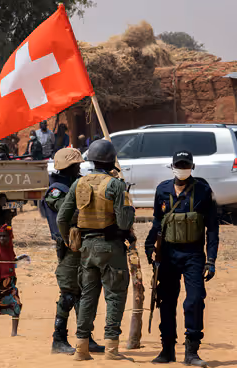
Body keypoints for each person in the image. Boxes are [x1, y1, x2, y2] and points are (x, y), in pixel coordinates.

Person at [56, 140, 135, 361]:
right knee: (115, 295)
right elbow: (124, 221)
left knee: (88, 297)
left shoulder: (79, 184)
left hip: (86, 248)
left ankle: (81, 349)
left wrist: (71, 241)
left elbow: (63, 218)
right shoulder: (116, 185)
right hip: (111, 247)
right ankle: (111, 349)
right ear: (111, 161)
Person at [145, 151, 219, 367]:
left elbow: (212, 228)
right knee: (166, 301)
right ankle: (167, 349)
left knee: (195, 300)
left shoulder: (203, 191)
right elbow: (158, 223)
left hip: (193, 254)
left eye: (186, 164)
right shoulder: (163, 189)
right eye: (179, 164)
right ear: (172, 166)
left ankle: (192, 351)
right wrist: (150, 247)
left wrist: (211, 259)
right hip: (167, 255)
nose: (182, 167)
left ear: (192, 166)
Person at [40, 148, 105, 355]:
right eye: (75, 166)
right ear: (65, 167)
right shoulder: (56, 190)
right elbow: (72, 213)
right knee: (69, 293)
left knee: (83, 293)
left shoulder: (76, 183)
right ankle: (58, 339)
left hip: (84, 245)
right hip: (69, 247)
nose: (79, 168)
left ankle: (85, 337)